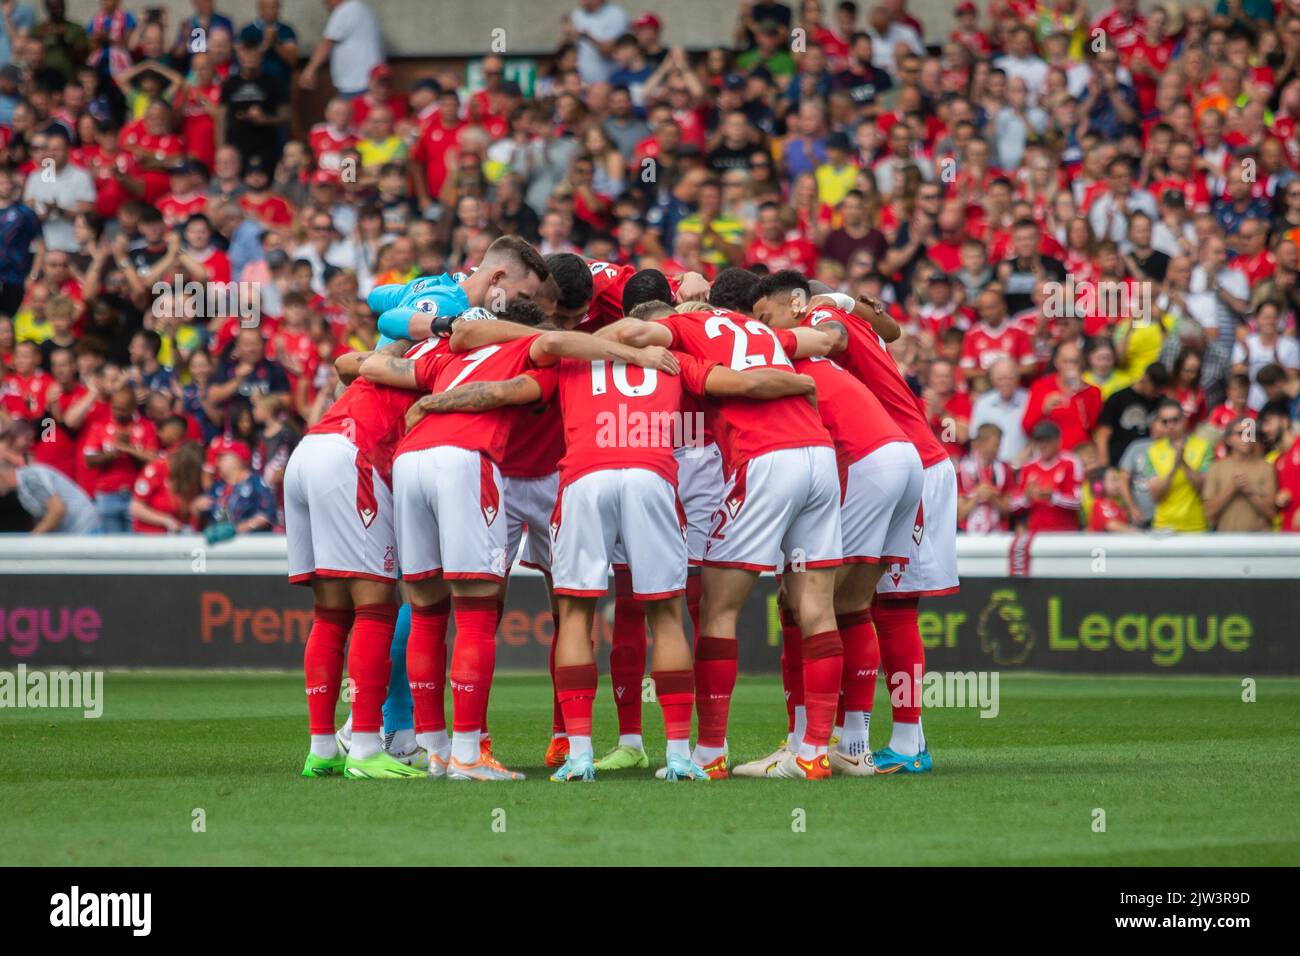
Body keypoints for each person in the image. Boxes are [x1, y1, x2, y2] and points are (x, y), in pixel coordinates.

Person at [1146, 399, 1212, 533]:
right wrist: (1174, 468)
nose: (1170, 425)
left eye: (1175, 420)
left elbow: (1204, 489)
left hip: (1196, 525)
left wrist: (1183, 463)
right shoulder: (1153, 451)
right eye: (1165, 421)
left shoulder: (1203, 447)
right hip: (1164, 526)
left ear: (1184, 420)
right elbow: (1155, 496)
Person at [1203, 417, 1278, 532]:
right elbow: (1208, 513)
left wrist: (1250, 492)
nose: (1246, 438)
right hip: (1226, 541)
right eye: (1240, 433)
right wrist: (1232, 489)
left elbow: (1272, 513)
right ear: (1228, 439)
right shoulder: (1216, 468)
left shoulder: (1266, 468)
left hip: (1260, 543)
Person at [1012, 420, 1083, 532]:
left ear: (1058, 441)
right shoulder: (1028, 467)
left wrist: (1053, 497)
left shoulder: (1070, 463)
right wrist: (1026, 498)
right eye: (1039, 441)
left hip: (1065, 532)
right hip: (1036, 532)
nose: (1043, 445)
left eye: (1047, 441)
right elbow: (1013, 506)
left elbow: (1078, 502)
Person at [0, 457, 99, 533]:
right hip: (72, 534)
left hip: (85, 530)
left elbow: (57, 510)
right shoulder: (21, 491)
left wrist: (32, 539)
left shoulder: (29, 478)